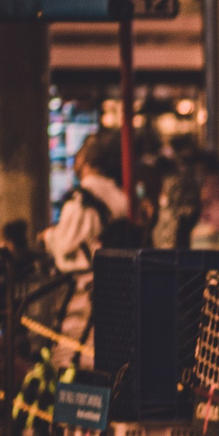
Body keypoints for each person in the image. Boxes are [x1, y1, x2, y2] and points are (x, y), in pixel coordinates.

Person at [43, 137, 132, 368]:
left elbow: (64, 247)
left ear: (85, 160)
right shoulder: (119, 196)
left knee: (71, 358)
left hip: (82, 294)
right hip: (115, 290)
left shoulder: (80, 200)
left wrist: (48, 237)